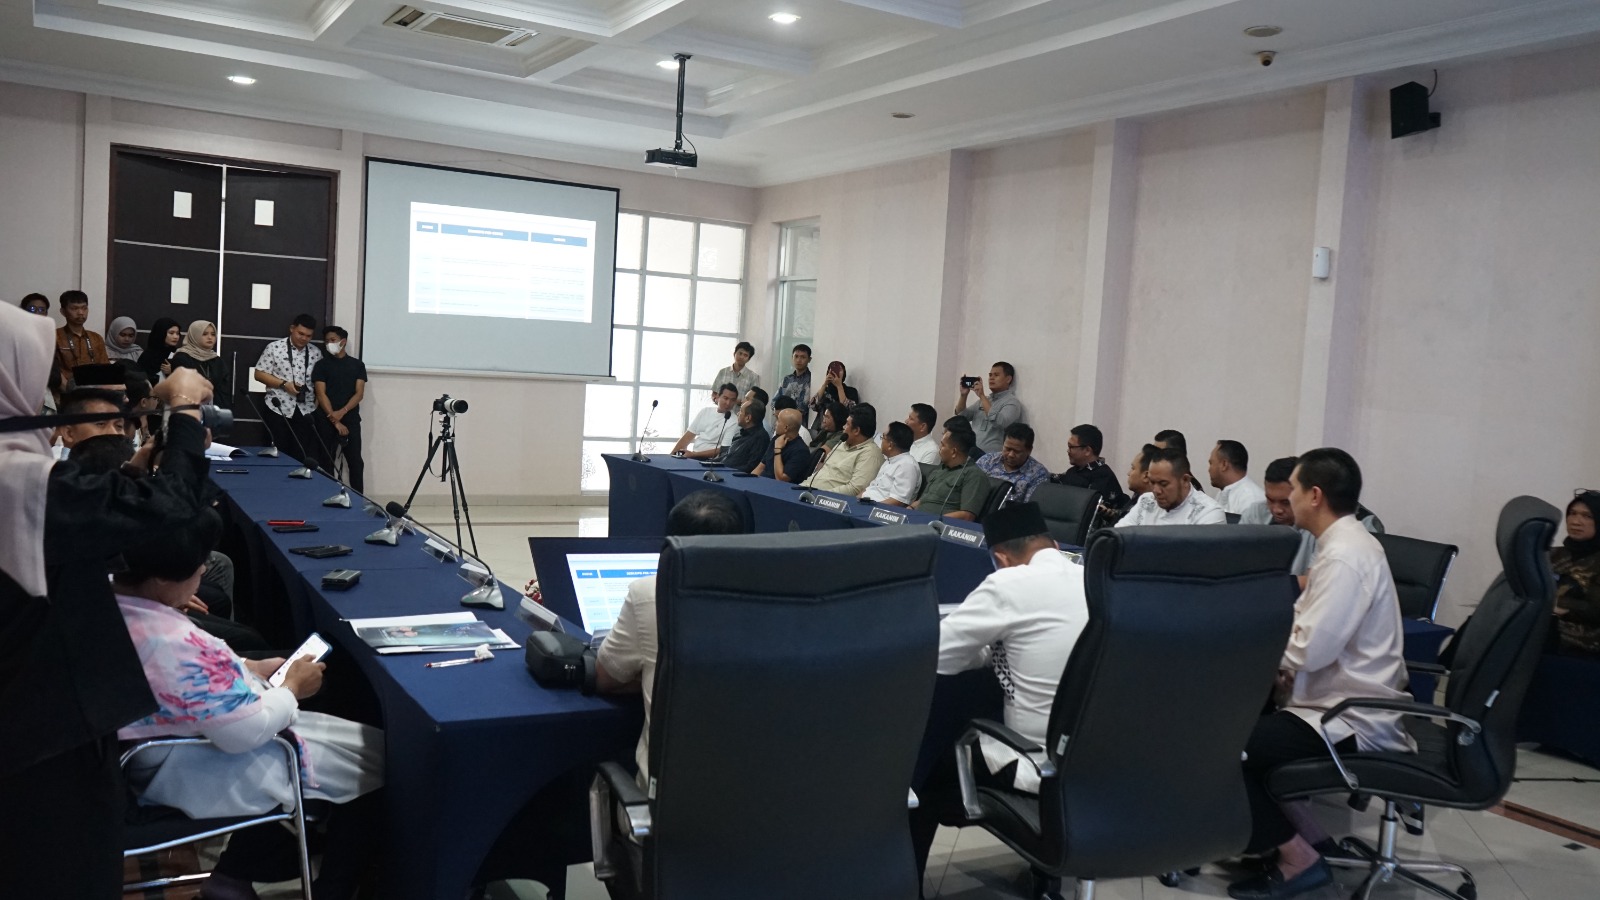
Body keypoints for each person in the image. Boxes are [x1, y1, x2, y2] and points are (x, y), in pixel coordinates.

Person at [0, 301, 217, 899]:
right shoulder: (17, 481)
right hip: (42, 729)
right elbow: (172, 510)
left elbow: (68, 533)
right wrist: (185, 409)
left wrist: (128, 477)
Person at [114, 510, 384, 900]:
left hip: (153, 755)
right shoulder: (178, 644)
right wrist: (292, 689)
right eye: (197, 563)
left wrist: (249, 667)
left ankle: (234, 875)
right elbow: (245, 733)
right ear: (161, 578)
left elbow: (188, 680)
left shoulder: (107, 604)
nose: (204, 569)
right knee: (373, 765)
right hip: (190, 763)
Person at [1228, 448, 1414, 900]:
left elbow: (1309, 648)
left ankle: (1298, 859)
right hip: (1335, 701)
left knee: (1221, 747)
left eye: (1292, 489)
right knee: (1241, 727)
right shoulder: (1344, 545)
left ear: (1314, 495)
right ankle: (1312, 842)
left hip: (1348, 716)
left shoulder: (1344, 556)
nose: (1286, 499)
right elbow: (1307, 633)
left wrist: (1259, 654)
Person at [909, 502, 1091, 880]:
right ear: (1054, 545)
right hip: (1100, 759)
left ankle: (910, 886)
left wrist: (987, 647)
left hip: (1039, 763)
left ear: (1001, 558)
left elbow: (939, 655)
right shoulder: (1092, 579)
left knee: (927, 771)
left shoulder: (1007, 583)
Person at [596, 490, 747, 781]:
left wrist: (654, 679)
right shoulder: (776, 600)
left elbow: (605, 678)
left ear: (669, 546)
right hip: (760, 798)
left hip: (664, 799)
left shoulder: (650, 594)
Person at [1243, 457, 1384, 578]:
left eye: (1287, 502)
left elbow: (1315, 583)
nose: (1276, 510)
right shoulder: (1257, 511)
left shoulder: (1348, 529)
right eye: (1270, 500)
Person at [253, 314, 326, 471]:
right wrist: (284, 384)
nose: (304, 338)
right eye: (300, 333)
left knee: (303, 454)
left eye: (308, 336)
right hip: (278, 408)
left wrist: (317, 403)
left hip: (306, 410)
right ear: (292, 329)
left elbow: (321, 381)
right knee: (277, 453)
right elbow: (259, 374)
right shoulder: (274, 348)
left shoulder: (316, 353)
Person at [313, 326, 368, 493]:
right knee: (325, 461)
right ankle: (325, 495)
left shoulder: (357, 365)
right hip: (326, 419)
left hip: (350, 419)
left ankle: (359, 499)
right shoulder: (321, 365)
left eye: (332, 340)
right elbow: (320, 394)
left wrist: (342, 412)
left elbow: (359, 394)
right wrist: (335, 420)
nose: (329, 344)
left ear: (343, 342)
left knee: (355, 462)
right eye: (326, 341)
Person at [1115, 446, 1225, 527]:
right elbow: (1118, 538)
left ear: (1185, 480)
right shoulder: (1146, 501)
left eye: (1163, 484)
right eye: (1152, 482)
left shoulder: (1208, 513)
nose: (1156, 491)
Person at [1551, 491, 1600, 658]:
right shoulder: (1552, 555)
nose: (1576, 521)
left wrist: (1554, 603)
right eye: (1572, 513)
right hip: (1549, 640)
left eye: (1587, 516)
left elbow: (1595, 610)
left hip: (1589, 652)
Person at [805, 403, 884, 496]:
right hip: (807, 487)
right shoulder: (842, 443)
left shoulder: (870, 454)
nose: (843, 427)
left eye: (847, 424)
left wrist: (821, 494)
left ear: (856, 430)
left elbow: (855, 489)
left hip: (823, 497)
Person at [912, 427, 988, 521]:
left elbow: (967, 516)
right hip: (916, 519)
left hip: (936, 525)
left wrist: (932, 520)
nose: (939, 448)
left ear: (953, 451)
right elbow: (923, 500)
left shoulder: (974, 475)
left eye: (943, 445)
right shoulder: (940, 469)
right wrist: (909, 509)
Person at [1050, 423, 1128, 508]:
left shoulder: (1104, 477)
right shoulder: (1073, 471)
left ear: (1087, 450)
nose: (1068, 451)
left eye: (1071, 447)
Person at [955, 361, 1023, 456]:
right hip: (971, 452)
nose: (991, 378)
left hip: (992, 457)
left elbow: (999, 422)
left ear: (1008, 379)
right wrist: (963, 395)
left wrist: (982, 395)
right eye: (990, 375)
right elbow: (961, 416)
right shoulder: (984, 400)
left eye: (996, 375)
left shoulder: (1012, 402)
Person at [975, 422, 1050, 502]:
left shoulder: (1038, 474)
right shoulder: (987, 461)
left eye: (1017, 451)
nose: (1011, 455)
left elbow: (1030, 506)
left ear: (1029, 450)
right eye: (1007, 449)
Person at [170, 320, 233, 409]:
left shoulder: (217, 360)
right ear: (195, 335)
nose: (210, 337)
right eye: (204, 334)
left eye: (213, 334)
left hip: (214, 411)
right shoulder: (182, 357)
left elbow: (223, 390)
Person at [54, 290, 110, 387]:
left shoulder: (96, 338)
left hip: (95, 389)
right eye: (74, 308)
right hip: (66, 390)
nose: (80, 313)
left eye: (84, 308)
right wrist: (68, 389)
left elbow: (105, 369)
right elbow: (52, 371)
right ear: (63, 311)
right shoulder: (55, 336)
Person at [670, 383, 740, 459]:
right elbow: (687, 437)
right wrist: (670, 457)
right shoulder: (705, 411)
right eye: (725, 398)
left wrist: (694, 455)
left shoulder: (734, 421)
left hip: (711, 461)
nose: (728, 403)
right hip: (693, 456)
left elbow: (723, 450)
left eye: (732, 400)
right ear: (718, 397)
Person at [860, 421, 922, 505]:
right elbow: (871, 488)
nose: (881, 441)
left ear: (890, 445)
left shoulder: (907, 466)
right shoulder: (890, 460)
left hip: (879, 508)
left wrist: (872, 508)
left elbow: (897, 501)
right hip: (866, 503)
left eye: (883, 437)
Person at [54, 388, 126, 452]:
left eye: (119, 426)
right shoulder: (50, 462)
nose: (114, 433)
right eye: (100, 424)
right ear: (69, 433)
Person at [1210, 439, 1266, 515]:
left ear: (1224, 465)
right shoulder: (1222, 493)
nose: (1209, 469)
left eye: (1211, 463)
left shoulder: (1251, 500)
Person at [756, 407, 812, 482]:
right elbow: (761, 466)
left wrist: (777, 450)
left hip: (777, 487)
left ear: (786, 427)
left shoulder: (801, 451)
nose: (775, 423)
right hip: (761, 482)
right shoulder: (776, 439)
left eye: (778, 420)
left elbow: (781, 479)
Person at [721, 399, 771, 474]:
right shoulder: (742, 432)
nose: (738, 413)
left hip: (734, 476)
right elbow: (728, 457)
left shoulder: (761, 438)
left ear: (748, 418)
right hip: (723, 470)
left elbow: (750, 467)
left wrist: (724, 470)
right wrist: (711, 463)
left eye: (741, 411)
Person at [808, 360, 859, 433]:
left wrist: (839, 386)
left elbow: (849, 410)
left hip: (841, 430)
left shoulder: (851, 391)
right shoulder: (825, 391)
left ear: (844, 373)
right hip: (821, 429)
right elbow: (812, 405)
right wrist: (825, 384)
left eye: (839, 369)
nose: (835, 372)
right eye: (832, 369)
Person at [139, 317, 182, 384]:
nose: (176, 337)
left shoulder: (177, 354)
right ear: (161, 333)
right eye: (171, 333)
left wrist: (172, 371)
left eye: (177, 333)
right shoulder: (148, 355)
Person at [777, 344, 813, 409]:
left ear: (809, 359)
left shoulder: (811, 380)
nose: (798, 360)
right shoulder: (787, 379)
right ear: (792, 358)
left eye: (803, 357)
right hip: (783, 414)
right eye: (796, 356)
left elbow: (806, 406)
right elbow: (775, 401)